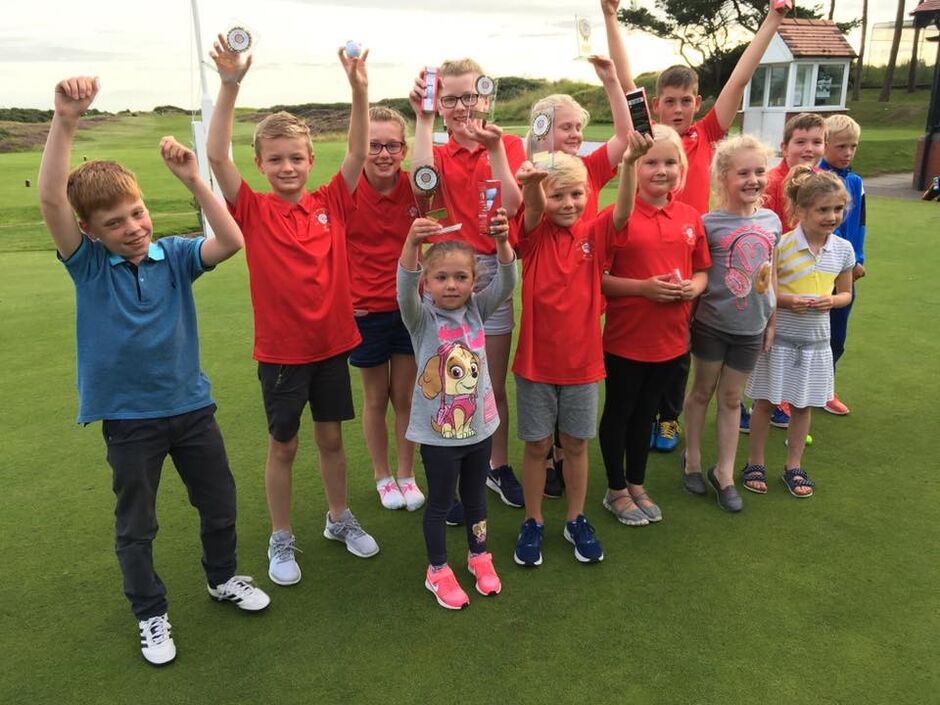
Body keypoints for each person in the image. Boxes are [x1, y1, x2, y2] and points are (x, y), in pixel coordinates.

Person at [38, 76, 269, 666]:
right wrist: (66, 119)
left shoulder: (176, 255)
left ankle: (223, 577)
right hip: (130, 421)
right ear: (91, 231)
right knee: (137, 523)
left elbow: (231, 241)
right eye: (115, 222)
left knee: (219, 502)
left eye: (137, 213)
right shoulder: (88, 266)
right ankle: (150, 612)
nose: (134, 227)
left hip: (191, 408)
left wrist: (195, 180)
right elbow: (51, 201)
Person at [207, 36, 378, 588]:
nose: (287, 166)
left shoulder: (331, 203)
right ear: (260, 163)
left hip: (331, 347)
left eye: (296, 158)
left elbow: (357, 154)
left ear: (310, 160)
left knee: (332, 441)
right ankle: (281, 534)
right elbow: (216, 156)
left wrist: (359, 91)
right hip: (281, 355)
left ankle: (338, 517)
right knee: (284, 445)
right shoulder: (252, 210)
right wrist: (229, 85)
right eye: (276, 159)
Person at [605, 0, 790, 453]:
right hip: (649, 248)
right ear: (656, 105)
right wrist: (610, 16)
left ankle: (673, 415)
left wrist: (773, 19)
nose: (678, 108)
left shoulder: (706, 133)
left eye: (686, 100)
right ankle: (645, 412)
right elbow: (625, 83)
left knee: (692, 337)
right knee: (651, 336)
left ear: (697, 103)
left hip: (698, 252)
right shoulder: (648, 134)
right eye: (669, 101)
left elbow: (739, 79)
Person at [512, 134, 650, 567]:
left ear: (588, 195)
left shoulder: (595, 234)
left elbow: (623, 211)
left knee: (575, 444)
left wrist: (630, 164)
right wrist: (533, 184)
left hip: (583, 366)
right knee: (537, 445)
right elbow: (534, 209)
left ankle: (575, 518)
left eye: (576, 194)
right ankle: (533, 520)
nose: (568, 203)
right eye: (559, 195)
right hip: (535, 364)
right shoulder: (533, 236)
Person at [409, 59, 526, 511]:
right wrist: (423, 121)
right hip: (444, 275)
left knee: (489, 381)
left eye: (469, 96)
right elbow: (423, 189)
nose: (461, 107)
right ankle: (449, 478)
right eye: (450, 99)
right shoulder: (437, 152)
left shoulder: (506, 144)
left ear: (485, 97)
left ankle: (497, 465)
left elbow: (512, 205)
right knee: (445, 380)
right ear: (439, 104)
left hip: (491, 271)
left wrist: (493, 149)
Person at [523, 50, 632, 498]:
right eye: (565, 127)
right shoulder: (533, 173)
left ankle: (564, 457)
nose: (575, 135)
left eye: (577, 127)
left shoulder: (589, 169)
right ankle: (548, 456)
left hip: (585, 281)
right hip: (549, 277)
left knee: (573, 382)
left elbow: (626, 138)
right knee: (547, 380)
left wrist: (611, 81)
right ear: (543, 130)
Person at [397, 211, 517, 609]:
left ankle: (479, 554)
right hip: (439, 437)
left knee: (476, 500)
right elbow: (404, 287)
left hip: (480, 431)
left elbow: (508, 280)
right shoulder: (420, 317)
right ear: (427, 283)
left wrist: (502, 242)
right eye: (441, 277)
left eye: (461, 277)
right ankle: (437, 569)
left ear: (473, 281)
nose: (451, 285)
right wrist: (412, 243)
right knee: (441, 502)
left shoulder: (477, 310)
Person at [599, 124, 711, 526]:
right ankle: (615, 489)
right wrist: (643, 289)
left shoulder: (689, 216)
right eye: (650, 162)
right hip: (626, 340)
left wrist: (693, 288)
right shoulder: (617, 216)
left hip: (672, 339)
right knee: (620, 413)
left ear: (682, 167)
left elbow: (701, 270)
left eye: (670, 162)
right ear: (634, 166)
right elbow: (599, 279)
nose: (661, 170)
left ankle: (636, 483)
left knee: (647, 413)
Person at [681, 135, 781, 513]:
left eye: (759, 171)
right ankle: (692, 460)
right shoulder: (709, 224)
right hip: (712, 324)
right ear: (724, 177)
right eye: (743, 173)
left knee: (732, 398)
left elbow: (771, 273)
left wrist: (771, 320)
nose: (753, 180)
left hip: (751, 329)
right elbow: (699, 274)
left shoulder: (772, 221)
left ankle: (723, 473)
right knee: (702, 392)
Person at [740, 167, 855, 497]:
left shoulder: (843, 250)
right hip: (779, 339)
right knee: (765, 403)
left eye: (837, 209)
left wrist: (832, 300)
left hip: (816, 342)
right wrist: (790, 300)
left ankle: (794, 466)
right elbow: (765, 290)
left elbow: (846, 293)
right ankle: (755, 462)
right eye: (823, 209)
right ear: (801, 210)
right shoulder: (781, 245)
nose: (831, 216)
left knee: (803, 406)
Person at [346, 106, 425, 511]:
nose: (383, 154)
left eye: (392, 146)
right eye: (374, 145)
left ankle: (407, 474)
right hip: (366, 312)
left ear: (404, 150)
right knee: (376, 398)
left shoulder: (417, 187)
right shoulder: (344, 190)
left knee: (405, 397)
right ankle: (383, 476)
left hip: (409, 308)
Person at [741, 111, 827, 431]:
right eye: (800, 142)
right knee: (762, 341)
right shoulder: (773, 181)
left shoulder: (821, 180)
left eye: (816, 142)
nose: (809, 148)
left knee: (785, 342)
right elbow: (765, 234)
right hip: (772, 273)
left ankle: (778, 398)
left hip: (802, 276)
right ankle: (754, 400)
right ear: (784, 146)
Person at [819, 114, 867, 416]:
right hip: (820, 269)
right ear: (825, 145)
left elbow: (860, 223)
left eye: (853, 146)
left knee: (837, 336)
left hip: (847, 270)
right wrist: (842, 261)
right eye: (841, 146)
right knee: (808, 335)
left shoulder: (855, 181)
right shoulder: (816, 178)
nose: (848, 152)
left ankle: (826, 389)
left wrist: (858, 259)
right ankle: (787, 393)